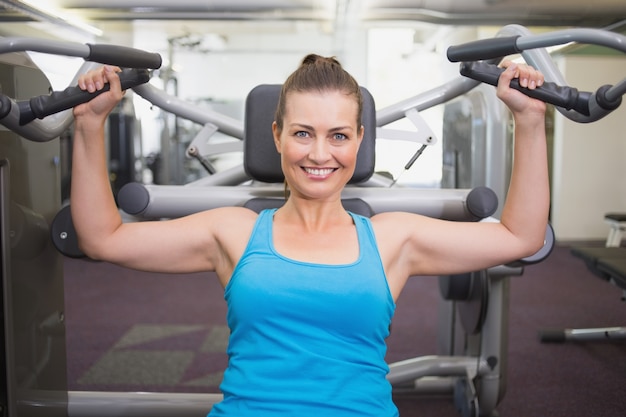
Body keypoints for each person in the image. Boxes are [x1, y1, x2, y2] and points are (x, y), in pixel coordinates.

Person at [71, 54, 548, 417]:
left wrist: (528, 121)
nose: (320, 154)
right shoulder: (232, 232)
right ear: (276, 135)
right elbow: (103, 237)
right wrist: (90, 125)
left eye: (338, 136)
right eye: (303, 133)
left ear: (360, 140)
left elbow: (520, 236)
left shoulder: (392, 239)